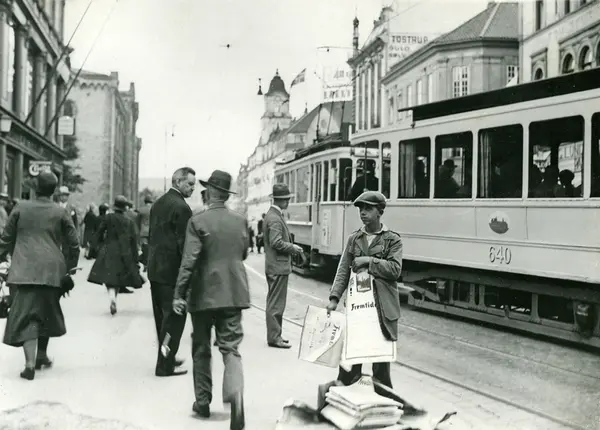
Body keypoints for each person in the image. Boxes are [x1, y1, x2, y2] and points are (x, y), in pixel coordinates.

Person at [173, 169, 249, 429]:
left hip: (203, 294)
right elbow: (243, 253)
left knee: (201, 347)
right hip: (233, 293)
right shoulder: (240, 221)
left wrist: (179, 294)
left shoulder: (198, 221)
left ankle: (203, 402)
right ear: (225, 194)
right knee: (231, 348)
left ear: (211, 192)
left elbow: (189, 261)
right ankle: (236, 396)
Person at [0, 171, 80, 381]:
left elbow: (5, 238)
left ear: (35, 188)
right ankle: (41, 355)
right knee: (45, 312)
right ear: (54, 190)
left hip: (23, 270)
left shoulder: (20, 207)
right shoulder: (60, 212)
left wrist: (2, 259)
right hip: (52, 270)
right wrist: (69, 268)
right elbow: (74, 244)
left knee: (27, 316)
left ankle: (30, 362)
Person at [326, 191, 402, 398]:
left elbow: (395, 269)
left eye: (368, 208)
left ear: (380, 212)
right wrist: (334, 298)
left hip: (382, 309)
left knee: (380, 362)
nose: (363, 213)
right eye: (361, 209)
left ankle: (383, 402)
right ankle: (344, 397)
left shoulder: (392, 240)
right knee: (352, 357)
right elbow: (343, 270)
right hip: (358, 308)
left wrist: (369, 261)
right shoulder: (354, 239)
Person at [148, 166, 195, 377]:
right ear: (178, 182)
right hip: (172, 274)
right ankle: (164, 366)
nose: (192, 188)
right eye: (190, 184)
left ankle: (167, 355)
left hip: (156, 271)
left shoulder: (158, 203)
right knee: (174, 322)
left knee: (162, 321)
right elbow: (184, 245)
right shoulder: (182, 208)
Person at [87, 195, 143, 315]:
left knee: (109, 278)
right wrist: (135, 258)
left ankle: (112, 298)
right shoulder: (129, 222)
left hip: (109, 250)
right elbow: (133, 241)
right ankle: (114, 299)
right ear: (124, 208)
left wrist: (95, 247)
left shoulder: (108, 218)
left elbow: (99, 232)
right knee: (117, 279)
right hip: (124, 252)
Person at [263, 183, 303, 349]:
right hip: (278, 266)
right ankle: (274, 337)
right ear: (280, 200)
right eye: (286, 199)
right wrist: (293, 248)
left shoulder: (272, 215)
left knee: (275, 302)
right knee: (276, 304)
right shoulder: (274, 218)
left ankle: (276, 334)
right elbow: (276, 242)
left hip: (275, 265)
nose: (288, 202)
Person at [136, 195, 153, 271]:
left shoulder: (140, 210)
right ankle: (148, 263)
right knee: (150, 248)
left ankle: (144, 263)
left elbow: (137, 222)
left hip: (143, 232)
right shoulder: (154, 209)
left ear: (145, 201)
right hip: (152, 232)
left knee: (144, 248)